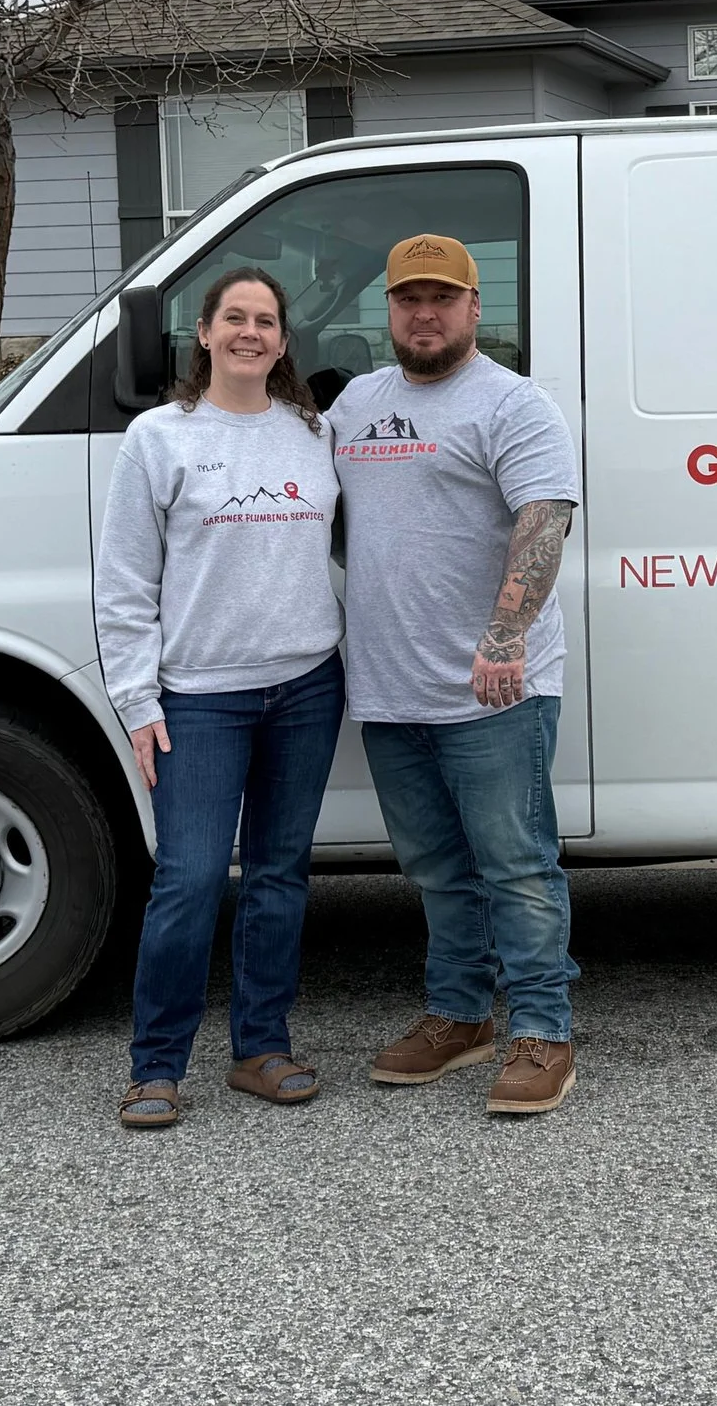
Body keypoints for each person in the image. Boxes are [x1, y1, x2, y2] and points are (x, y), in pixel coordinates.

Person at [331, 233, 583, 1116]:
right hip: (391, 687)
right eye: (409, 298)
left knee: (516, 864)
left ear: (478, 309)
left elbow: (546, 519)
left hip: (493, 687)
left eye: (443, 297)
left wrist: (505, 635)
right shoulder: (357, 403)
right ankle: (459, 1014)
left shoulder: (513, 405)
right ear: (389, 309)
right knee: (436, 865)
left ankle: (544, 1030)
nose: (425, 313)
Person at [96, 266, 343, 1129]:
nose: (250, 332)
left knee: (279, 876)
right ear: (202, 334)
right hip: (198, 697)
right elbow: (124, 583)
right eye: (233, 317)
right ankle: (156, 1065)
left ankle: (261, 1048)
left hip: (308, 685)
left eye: (265, 320)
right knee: (191, 877)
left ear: (282, 341)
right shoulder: (160, 438)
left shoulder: (314, 434)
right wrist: (138, 702)